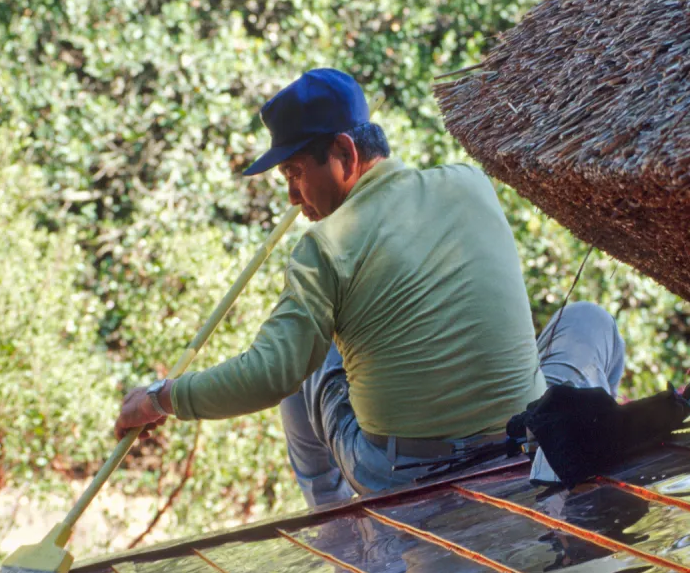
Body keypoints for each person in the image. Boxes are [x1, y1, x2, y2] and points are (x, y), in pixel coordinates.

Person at [114, 68, 625, 506]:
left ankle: (337, 525)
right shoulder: (470, 182)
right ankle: (573, 481)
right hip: (528, 440)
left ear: (344, 152)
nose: (292, 196)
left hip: (407, 473)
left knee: (305, 366)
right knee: (590, 321)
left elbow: (270, 373)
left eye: (295, 172)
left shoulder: (324, 247)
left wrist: (161, 398)